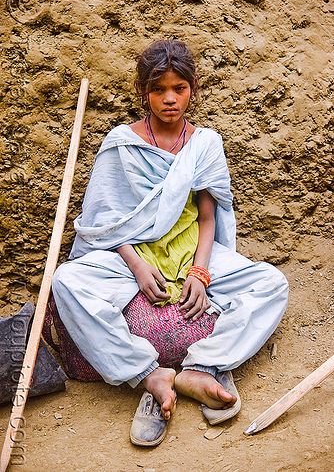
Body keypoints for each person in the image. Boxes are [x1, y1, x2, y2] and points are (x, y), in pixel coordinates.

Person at [52, 39, 289, 446]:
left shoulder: (205, 144)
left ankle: (203, 365)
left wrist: (200, 271)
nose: (169, 99)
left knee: (271, 284)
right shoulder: (121, 143)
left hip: (191, 247)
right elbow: (108, 223)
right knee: (67, 282)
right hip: (131, 251)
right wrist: (137, 265)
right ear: (144, 92)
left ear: (192, 88)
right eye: (158, 89)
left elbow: (209, 216)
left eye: (178, 88)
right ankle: (148, 372)